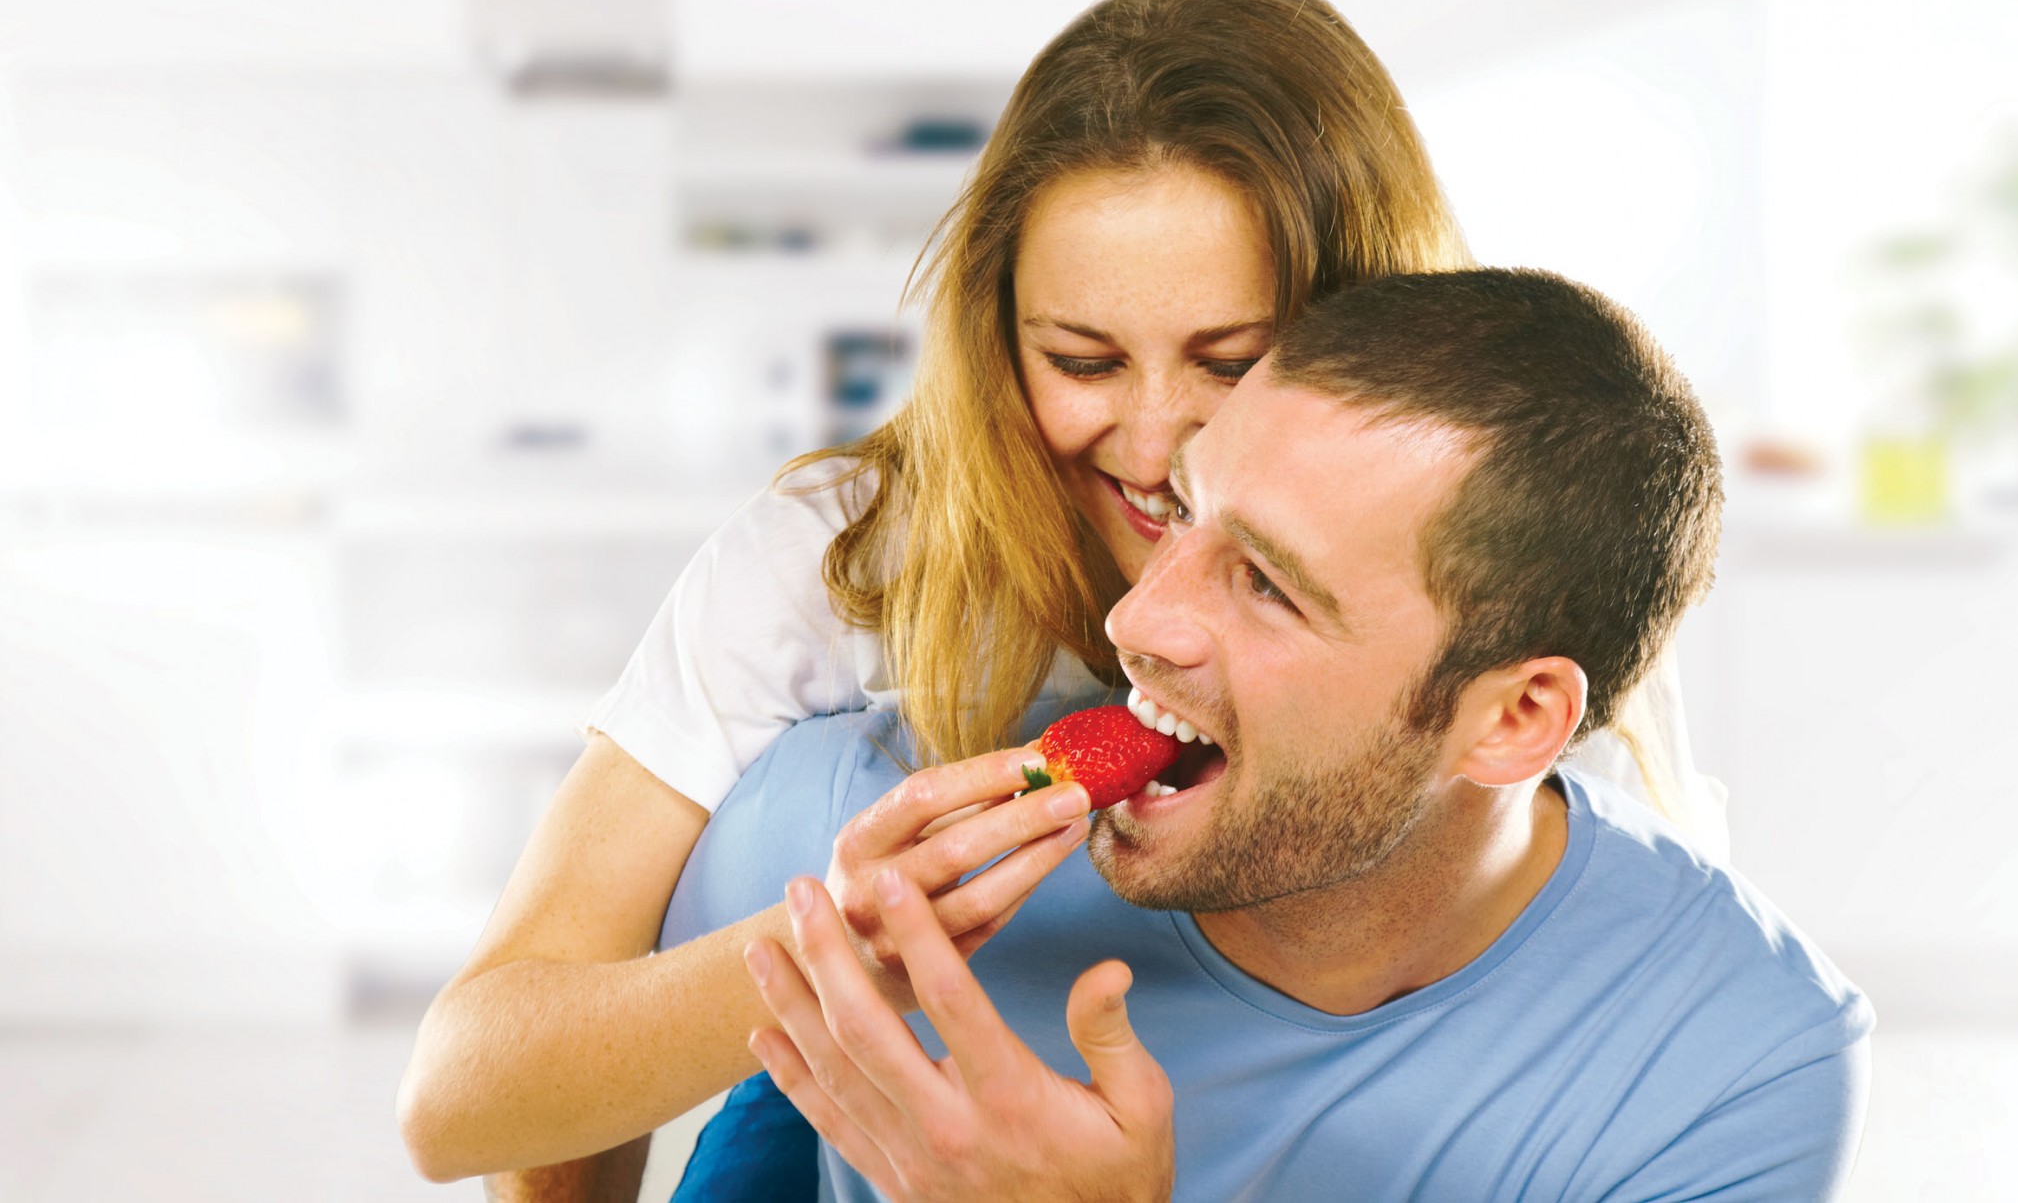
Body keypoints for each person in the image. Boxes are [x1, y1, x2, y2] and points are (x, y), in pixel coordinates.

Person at [397, 0, 1719, 1196]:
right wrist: (846, 951)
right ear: (997, 338)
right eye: (1082, 362)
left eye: (1234, 363)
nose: (1153, 448)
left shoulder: (1515, 631)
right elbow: (465, 1098)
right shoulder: (843, 561)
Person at [669, 269, 1873, 1200]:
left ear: (1513, 719)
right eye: (1182, 511)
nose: (1134, 621)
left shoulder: (1731, 1067)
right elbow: (551, 1082)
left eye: (1265, 586)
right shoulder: (875, 824)